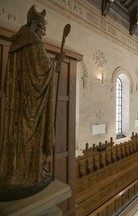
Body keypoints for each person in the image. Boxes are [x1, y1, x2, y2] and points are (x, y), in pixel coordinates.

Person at [0, 5, 65, 200]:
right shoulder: (34, 44)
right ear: (35, 26)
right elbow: (43, 72)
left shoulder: (16, 44)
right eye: (43, 28)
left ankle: (16, 172)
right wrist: (57, 61)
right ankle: (29, 174)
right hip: (32, 108)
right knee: (31, 138)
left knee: (17, 138)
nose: (44, 32)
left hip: (18, 104)